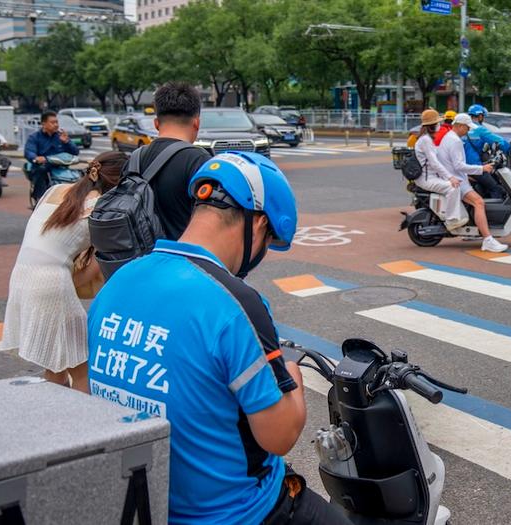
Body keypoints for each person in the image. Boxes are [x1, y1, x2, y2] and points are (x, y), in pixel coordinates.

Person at [87, 152, 348, 525]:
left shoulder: (120, 281)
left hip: (148, 502)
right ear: (257, 225)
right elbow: (279, 436)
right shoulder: (237, 304)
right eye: (269, 240)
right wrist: (295, 383)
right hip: (234, 513)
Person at [3, 151, 127, 393]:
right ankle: (84, 425)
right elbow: (91, 271)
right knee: (82, 371)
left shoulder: (55, 191)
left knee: (56, 366)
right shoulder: (100, 208)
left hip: (21, 276)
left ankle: (54, 419)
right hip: (50, 284)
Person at [137, 82, 213, 241]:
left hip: (140, 260)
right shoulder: (199, 160)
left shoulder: (135, 158)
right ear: (196, 123)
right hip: (182, 258)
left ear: (156, 124)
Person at [440, 113, 508, 253]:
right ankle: (488, 240)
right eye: (466, 127)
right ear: (459, 126)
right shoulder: (456, 141)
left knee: (478, 196)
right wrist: (481, 168)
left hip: (455, 176)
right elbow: (459, 165)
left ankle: (475, 232)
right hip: (456, 179)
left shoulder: (449, 137)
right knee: (479, 202)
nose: (468, 131)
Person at [412, 109, 467, 230]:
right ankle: (451, 220)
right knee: (453, 187)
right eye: (438, 123)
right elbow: (435, 163)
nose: (439, 125)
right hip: (427, 179)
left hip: (431, 176)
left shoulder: (426, 139)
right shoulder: (426, 140)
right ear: (432, 125)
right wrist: (450, 177)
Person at [24, 110, 80, 208]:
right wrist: (36, 158)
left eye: (56, 122)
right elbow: (29, 151)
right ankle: (39, 198)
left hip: (60, 166)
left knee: (79, 174)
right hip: (43, 166)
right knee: (41, 170)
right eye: (52, 122)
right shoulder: (34, 137)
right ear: (44, 124)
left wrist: (67, 142)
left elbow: (75, 152)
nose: (56, 125)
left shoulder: (61, 136)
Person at [460, 105, 508, 199]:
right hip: (474, 167)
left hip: (462, 166)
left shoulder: (462, 130)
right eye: (483, 116)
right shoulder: (479, 129)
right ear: (480, 116)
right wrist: (510, 148)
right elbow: (498, 141)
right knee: (496, 188)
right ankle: (494, 212)